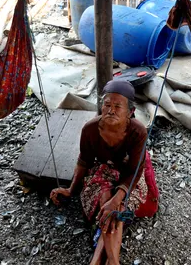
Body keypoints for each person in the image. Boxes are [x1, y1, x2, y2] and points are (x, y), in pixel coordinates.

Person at [50, 80, 159, 265]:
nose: (111, 110)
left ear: (130, 112)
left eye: (118, 106)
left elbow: (135, 170)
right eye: (107, 104)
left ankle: (99, 260)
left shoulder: (138, 132)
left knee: (116, 207)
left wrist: (116, 199)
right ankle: (112, 261)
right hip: (102, 172)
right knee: (104, 198)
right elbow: (84, 162)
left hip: (128, 178)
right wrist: (70, 189)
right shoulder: (90, 129)